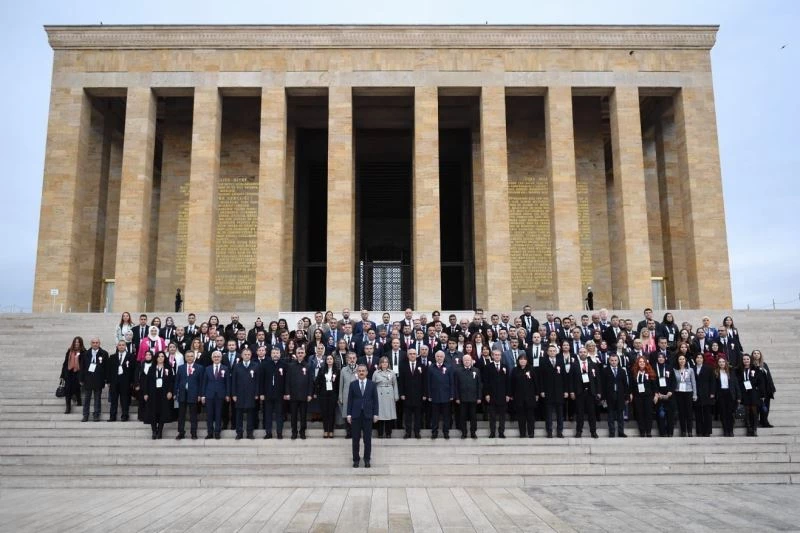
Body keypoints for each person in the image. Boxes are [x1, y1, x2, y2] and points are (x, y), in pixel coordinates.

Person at [347, 364, 379, 468]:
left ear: (366, 372)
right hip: (356, 415)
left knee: (367, 439)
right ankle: (356, 460)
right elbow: (350, 401)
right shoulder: (353, 384)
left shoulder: (372, 384)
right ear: (357, 372)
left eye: (363, 371)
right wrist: (348, 414)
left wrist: (375, 414)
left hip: (368, 415)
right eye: (359, 371)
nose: (361, 372)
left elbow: (375, 401)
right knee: (355, 439)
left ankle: (367, 459)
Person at [570, 347, 600, 439]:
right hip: (579, 392)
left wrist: (598, 392)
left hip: (590, 392)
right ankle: (579, 431)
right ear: (578, 353)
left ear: (587, 353)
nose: (582, 353)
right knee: (580, 413)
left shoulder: (593, 364)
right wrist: (571, 391)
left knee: (592, 413)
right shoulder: (574, 365)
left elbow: (598, 380)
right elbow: (570, 380)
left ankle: (593, 432)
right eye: (581, 352)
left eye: (584, 352)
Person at [285, 346, 314, 439]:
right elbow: (287, 381)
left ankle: (302, 432)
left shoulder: (308, 365)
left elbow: (310, 381)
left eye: (302, 353)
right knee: (293, 415)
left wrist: (310, 394)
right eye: (299, 353)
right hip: (293, 395)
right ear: (296, 354)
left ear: (304, 354)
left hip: (304, 395)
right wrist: (287, 393)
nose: (300, 354)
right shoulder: (290, 365)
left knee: (303, 415)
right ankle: (294, 432)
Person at [144, 351, 174, 439]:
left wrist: (170, 391)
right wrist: (146, 393)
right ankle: (154, 431)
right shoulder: (152, 368)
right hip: (153, 393)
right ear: (156, 358)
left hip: (164, 393)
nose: (161, 358)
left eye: (162, 356)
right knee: (152, 412)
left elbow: (171, 381)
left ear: (165, 358)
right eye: (159, 356)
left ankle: (160, 431)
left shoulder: (168, 368)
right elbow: (147, 382)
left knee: (162, 412)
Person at [398, 348, 426, 439]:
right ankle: (408, 432)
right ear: (407, 355)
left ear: (417, 355)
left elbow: (424, 381)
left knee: (418, 416)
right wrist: (401, 393)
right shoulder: (403, 366)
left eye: (414, 354)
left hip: (419, 395)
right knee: (407, 416)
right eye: (410, 354)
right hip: (407, 395)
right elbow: (401, 381)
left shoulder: (421, 365)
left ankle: (417, 432)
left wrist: (424, 394)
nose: (412, 355)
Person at [200, 351, 229, 440]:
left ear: (221, 358)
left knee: (218, 414)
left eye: (218, 356)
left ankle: (217, 432)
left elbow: (227, 383)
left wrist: (227, 394)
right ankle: (210, 432)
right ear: (212, 358)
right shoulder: (207, 369)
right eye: (215, 356)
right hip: (209, 394)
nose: (216, 358)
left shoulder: (225, 368)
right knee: (209, 415)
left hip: (220, 394)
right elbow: (204, 382)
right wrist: (203, 395)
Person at [175, 350, 203, 440]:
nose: (190, 358)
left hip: (194, 394)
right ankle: (181, 432)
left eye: (191, 356)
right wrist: (175, 392)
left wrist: (200, 394)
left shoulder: (199, 368)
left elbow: (201, 383)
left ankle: (193, 433)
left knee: (193, 415)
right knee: (181, 415)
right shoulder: (181, 368)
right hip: (182, 394)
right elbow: (177, 381)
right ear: (185, 357)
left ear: (194, 357)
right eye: (188, 356)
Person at [231, 348, 259, 440]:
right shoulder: (237, 366)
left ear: (251, 356)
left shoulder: (255, 365)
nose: (247, 356)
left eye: (248, 354)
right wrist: (234, 394)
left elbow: (257, 381)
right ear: (242, 356)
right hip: (239, 394)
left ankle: (249, 433)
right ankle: (239, 432)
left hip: (251, 394)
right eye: (245, 354)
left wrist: (256, 393)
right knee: (238, 414)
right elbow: (233, 381)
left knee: (251, 414)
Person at [541, 344, 567, 438]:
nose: (552, 352)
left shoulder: (560, 361)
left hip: (559, 391)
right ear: (547, 352)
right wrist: (542, 390)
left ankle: (560, 431)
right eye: (550, 351)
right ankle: (549, 431)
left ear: (556, 352)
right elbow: (541, 377)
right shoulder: (543, 361)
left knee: (560, 414)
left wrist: (565, 391)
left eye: (554, 351)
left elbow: (564, 377)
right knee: (548, 414)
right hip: (548, 391)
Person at [79, 337, 108, 422]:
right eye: (93, 342)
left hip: (98, 379)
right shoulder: (85, 354)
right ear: (91, 344)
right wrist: (81, 379)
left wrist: (106, 379)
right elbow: (82, 367)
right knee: (87, 399)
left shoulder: (104, 354)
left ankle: (96, 415)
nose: (95, 344)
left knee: (97, 398)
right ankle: (85, 415)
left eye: (97, 342)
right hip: (88, 379)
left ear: (99, 343)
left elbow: (106, 368)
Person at [483, 348, 510, 438]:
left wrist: (508, 394)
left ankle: (501, 432)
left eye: (499, 355)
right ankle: (492, 432)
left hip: (502, 395)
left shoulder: (505, 366)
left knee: (502, 416)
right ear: (492, 356)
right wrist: (486, 394)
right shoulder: (488, 367)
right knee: (492, 416)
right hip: (492, 395)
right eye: (495, 355)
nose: (497, 356)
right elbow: (485, 382)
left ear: (501, 356)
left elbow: (507, 381)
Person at [427, 350, 454, 439]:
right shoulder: (431, 367)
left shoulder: (449, 367)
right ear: (435, 357)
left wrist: (451, 395)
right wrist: (429, 395)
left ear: (444, 357)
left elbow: (451, 382)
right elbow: (428, 383)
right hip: (434, 396)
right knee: (435, 416)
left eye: (441, 356)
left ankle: (446, 432)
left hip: (446, 396)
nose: (439, 358)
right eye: (437, 356)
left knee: (446, 416)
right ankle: (434, 432)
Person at [509, 353, 537, 438]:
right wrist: (511, 394)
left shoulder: (531, 369)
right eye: (521, 359)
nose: (523, 361)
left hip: (530, 396)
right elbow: (511, 383)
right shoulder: (514, 370)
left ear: (527, 361)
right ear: (518, 361)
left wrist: (536, 394)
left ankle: (531, 433)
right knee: (521, 417)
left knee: (530, 417)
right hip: (518, 397)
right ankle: (522, 433)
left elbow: (535, 382)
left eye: (524, 359)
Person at [454, 353, 482, 439]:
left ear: (471, 361)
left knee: (473, 416)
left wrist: (479, 397)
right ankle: (464, 433)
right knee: (462, 416)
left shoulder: (476, 370)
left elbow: (479, 385)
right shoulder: (458, 371)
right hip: (462, 399)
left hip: (473, 398)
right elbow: (456, 385)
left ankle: (473, 432)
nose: (467, 361)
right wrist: (457, 397)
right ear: (462, 361)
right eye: (465, 360)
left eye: (468, 360)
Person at [107, 340, 136, 422]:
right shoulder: (112, 357)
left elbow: (133, 370)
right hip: (114, 382)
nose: (121, 346)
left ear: (125, 346)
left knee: (125, 400)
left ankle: (125, 416)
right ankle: (112, 416)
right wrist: (108, 381)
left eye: (123, 345)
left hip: (125, 382)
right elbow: (109, 370)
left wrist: (132, 381)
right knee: (114, 400)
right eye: (119, 345)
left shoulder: (131, 357)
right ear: (117, 346)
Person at [602, 354, 629, 438]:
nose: (613, 362)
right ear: (609, 361)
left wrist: (627, 396)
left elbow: (625, 384)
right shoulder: (605, 370)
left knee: (620, 415)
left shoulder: (622, 371)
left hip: (620, 395)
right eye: (612, 360)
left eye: (615, 360)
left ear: (618, 361)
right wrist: (603, 398)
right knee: (610, 415)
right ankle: (612, 432)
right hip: (609, 396)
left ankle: (621, 432)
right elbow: (603, 385)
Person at [372, 356, 399, 438]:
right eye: (383, 362)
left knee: (389, 414)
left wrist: (396, 395)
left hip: (389, 393)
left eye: (386, 362)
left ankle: (388, 433)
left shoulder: (392, 373)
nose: (384, 364)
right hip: (379, 393)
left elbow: (395, 384)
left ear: (388, 364)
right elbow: (372, 385)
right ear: (380, 364)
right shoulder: (376, 373)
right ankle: (380, 433)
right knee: (380, 414)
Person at [314, 354, 340, 438]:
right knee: (325, 413)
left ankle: (331, 430)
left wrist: (338, 395)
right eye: (328, 359)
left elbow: (339, 384)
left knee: (331, 413)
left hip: (333, 394)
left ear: (333, 360)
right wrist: (316, 392)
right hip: (323, 394)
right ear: (326, 361)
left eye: (330, 359)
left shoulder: (337, 370)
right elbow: (317, 382)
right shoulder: (322, 370)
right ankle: (325, 430)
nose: (329, 360)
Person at [739, 353, 765, 437]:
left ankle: (754, 429)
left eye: (747, 359)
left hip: (754, 393)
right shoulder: (739, 370)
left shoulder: (756, 369)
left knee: (754, 412)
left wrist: (761, 394)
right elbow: (738, 382)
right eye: (744, 359)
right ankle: (749, 429)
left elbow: (760, 382)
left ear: (750, 360)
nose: (746, 361)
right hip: (744, 393)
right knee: (746, 412)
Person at [630, 355, 656, 437]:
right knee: (639, 414)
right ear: (637, 363)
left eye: (643, 362)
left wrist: (656, 394)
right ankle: (642, 431)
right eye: (640, 362)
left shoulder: (650, 372)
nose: (641, 363)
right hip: (637, 396)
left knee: (648, 414)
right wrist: (631, 393)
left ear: (646, 363)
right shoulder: (634, 372)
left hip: (648, 396)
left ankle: (648, 431)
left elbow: (654, 385)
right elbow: (631, 385)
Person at [653, 351, 676, 437]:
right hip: (659, 395)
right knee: (660, 415)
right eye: (659, 357)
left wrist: (670, 391)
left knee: (670, 415)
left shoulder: (669, 368)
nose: (661, 358)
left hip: (669, 394)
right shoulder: (654, 368)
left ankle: (670, 433)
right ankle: (662, 433)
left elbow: (673, 381)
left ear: (665, 358)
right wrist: (656, 393)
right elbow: (653, 381)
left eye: (662, 357)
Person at [751, 349, 776, 428]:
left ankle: (764, 421)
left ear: (760, 355)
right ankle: (756, 422)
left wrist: (772, 388)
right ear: (752, 355)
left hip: (766, 390)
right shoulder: (751, 365)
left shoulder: (764, 365)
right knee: (757, 407)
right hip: (757, 390)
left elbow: (769, 377)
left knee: (766, 407)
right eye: (754, 353)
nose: (756, 355)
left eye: (758, 353)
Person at [674, 353, 697, 437]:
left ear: (685, 360)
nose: (682, 361)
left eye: (683, 359)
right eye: (680, 359)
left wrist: (695, 394)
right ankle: (683, 431)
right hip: (679, 392)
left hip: (688, 392)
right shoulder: (675, 370)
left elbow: (693, 382)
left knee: (689, 412)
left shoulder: (690, 370)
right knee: (681, 413)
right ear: (678, 360)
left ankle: (690, 431)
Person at [715, 357, 739, 437]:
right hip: (721, 394)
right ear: (718, 363)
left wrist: (738, 396)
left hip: (730, 394)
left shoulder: (731, 372)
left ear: (726, 363)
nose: (721, 363)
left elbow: (736, 384)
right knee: (723, 413)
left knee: (730, 413)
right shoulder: (716, 372)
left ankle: (730, 430)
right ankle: (725, 430)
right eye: (720, 362)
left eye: (723, 362)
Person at [693, 352, 715, 437]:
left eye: (700, 358)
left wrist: (712, 392)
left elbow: (712, 381)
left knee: (707, 414)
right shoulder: (692, 368)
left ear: (703, 359)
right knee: (698, 414)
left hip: (707, 393)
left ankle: (707, 431)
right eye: (697, 357)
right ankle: (699, 431)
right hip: (697, 394)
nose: (699, 359)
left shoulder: (708, 368)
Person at [60, 336, 84, 414]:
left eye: (78, 342)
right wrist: (62, 375)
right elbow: (65, 363)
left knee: (76, 388)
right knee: (67, 390)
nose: (77, 343)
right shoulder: (69, 351)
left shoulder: (83, 351)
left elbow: (84, 364)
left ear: (80, 343)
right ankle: (68, 407)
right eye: (75, 342)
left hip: (78, 373)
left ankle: (79, 400)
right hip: (69, 373)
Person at [136, 350, 153, 422]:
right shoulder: (141, 364)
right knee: (141, 402)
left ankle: (149, 416)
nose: (148, 356)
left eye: (149, 355)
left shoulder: (154, 364)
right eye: (147, 355)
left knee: (150, 402)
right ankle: (141, 417)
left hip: (151, 386)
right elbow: (136, 375)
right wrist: (137, 384)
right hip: (142, 386)